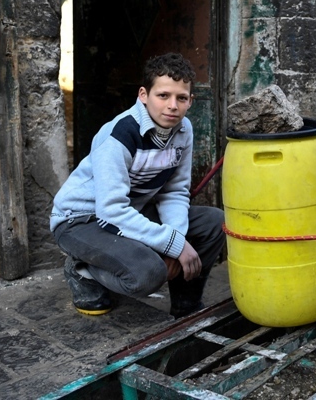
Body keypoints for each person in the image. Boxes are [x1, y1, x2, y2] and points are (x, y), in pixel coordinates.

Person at [50, 52, 225, 319]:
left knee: (214, 222)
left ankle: (185, 306)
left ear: (191, 100)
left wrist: (176, 240)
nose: (172, 106)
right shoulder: (119, 135)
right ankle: (82, 269)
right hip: (80, 220)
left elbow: (174, 191)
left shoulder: (183, 130)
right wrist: (172, 245)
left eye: (181, 98)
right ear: (144, 95)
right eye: (163, 95)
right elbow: (110, 210)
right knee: (148, 274)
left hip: (130, 212)